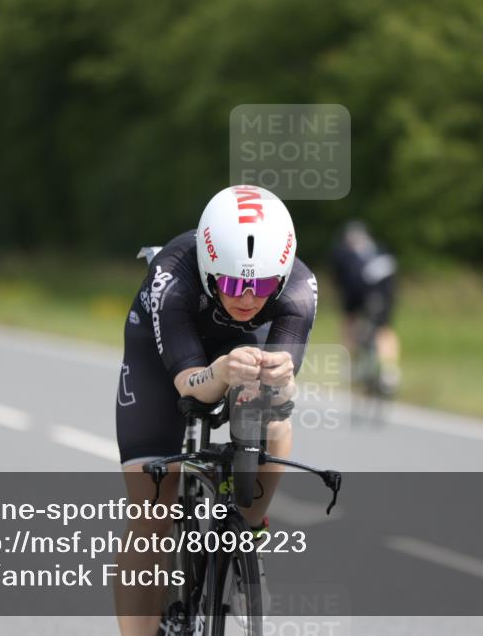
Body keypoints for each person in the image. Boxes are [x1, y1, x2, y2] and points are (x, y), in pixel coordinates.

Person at [114, 185, 317, 636]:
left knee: (274, 416)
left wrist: (280, 376)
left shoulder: (300, 290)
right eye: (231, 284)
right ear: (210, 270)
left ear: (282, 277)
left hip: (240, 347)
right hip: (163, 350)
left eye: (263, 286)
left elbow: (282, 394)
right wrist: (221, 370)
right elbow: (190, 385)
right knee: (152, 510)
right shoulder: (174, 273)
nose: (247, 297)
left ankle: (247, 524)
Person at [330, 220, 400, 394]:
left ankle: (352, 363)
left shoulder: (344, 254)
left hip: (360, 293)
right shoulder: (380, 251)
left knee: (350, 322)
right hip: (383, 293)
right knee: (384, 330)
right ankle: (390, 371)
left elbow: (341, 282)